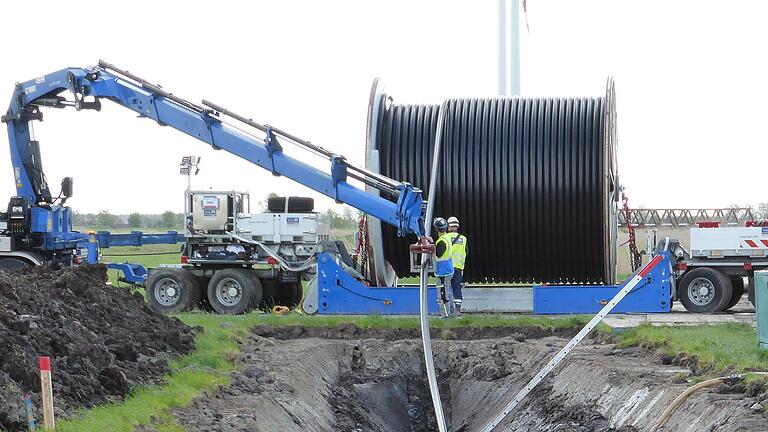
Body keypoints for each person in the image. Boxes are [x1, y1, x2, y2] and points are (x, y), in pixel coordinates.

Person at [432, 217, 455, 318]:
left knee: (442, 294)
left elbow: (439, 254)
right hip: (448, 269)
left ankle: (445, 315)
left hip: (443, 271)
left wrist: (432, 247)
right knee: (447, 290)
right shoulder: (446, 238)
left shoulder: (441, 242)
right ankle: (451, 312)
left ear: (436, 230)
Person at [446, 216, 467, 315]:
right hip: (458, 267)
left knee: (444, 287)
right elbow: (466, 252)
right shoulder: (464, 239)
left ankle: (446, 310)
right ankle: (457, 311)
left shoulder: (445, 238)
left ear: (448, 227)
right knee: (457, 288)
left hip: (446, 267)